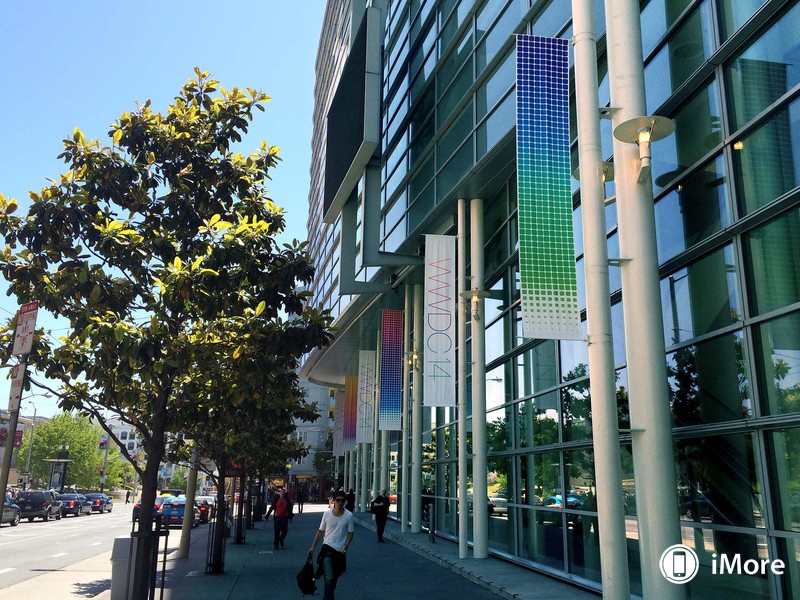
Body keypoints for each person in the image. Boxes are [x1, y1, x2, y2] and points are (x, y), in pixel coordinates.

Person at [309, 490, 354, 600]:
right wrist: (313, 546)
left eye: (342, 501)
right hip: (327, 550)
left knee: (333, 580)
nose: (340, 503)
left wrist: (346, 545)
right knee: (329, 579)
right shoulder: (327, 514)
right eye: (338, 500)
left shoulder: (349, 515)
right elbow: (320, 531)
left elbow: (350, 533)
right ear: (333, 501)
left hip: (340, 552)